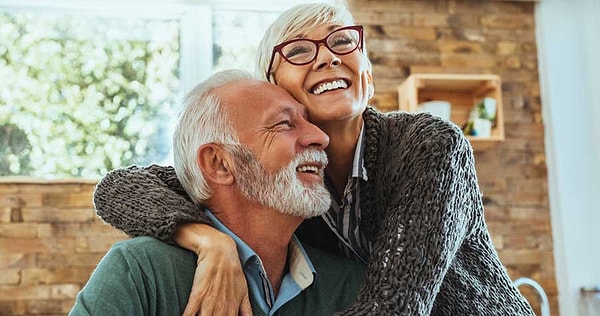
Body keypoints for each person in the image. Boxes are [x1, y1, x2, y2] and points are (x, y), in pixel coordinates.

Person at [93, 3, 535, 316]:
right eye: (300, 51)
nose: (327, 55)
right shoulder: (285, 181)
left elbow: (394, 308)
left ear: (368, 74)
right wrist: (210, 240)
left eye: (343, 42)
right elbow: (120, 187)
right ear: (274, 84)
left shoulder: (430, 146)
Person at [70, 69, 365, 316]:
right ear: (219, 163)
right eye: (284, 124)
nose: (320, 137)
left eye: (308, 122)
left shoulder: (351, 286)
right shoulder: (140, 273)